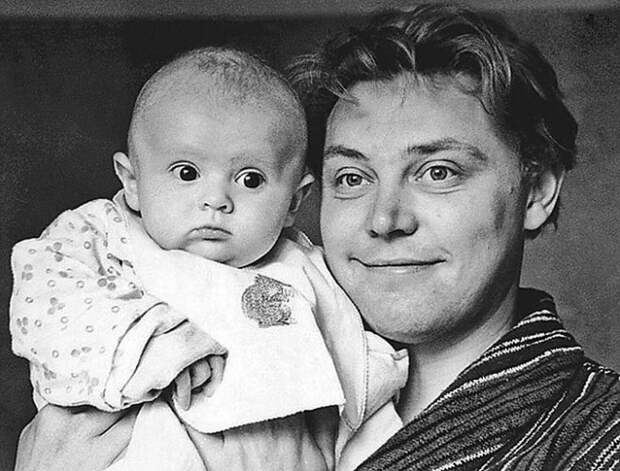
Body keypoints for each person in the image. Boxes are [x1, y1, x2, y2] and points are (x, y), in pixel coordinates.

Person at [15, 4, 620, 471]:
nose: (385, 219)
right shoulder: (274, 320)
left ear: (537, 191)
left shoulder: (601, 438)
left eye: (438, 172)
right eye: (352, 178)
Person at [10, 47, 406, 471]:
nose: (216, 200)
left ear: (295, 200)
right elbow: (47, 307)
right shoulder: (102, 235)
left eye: (249, 179)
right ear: (132, 182)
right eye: (187, 173)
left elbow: (352, 364)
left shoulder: (303, 269)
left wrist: (376, 381)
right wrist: (159, 350)